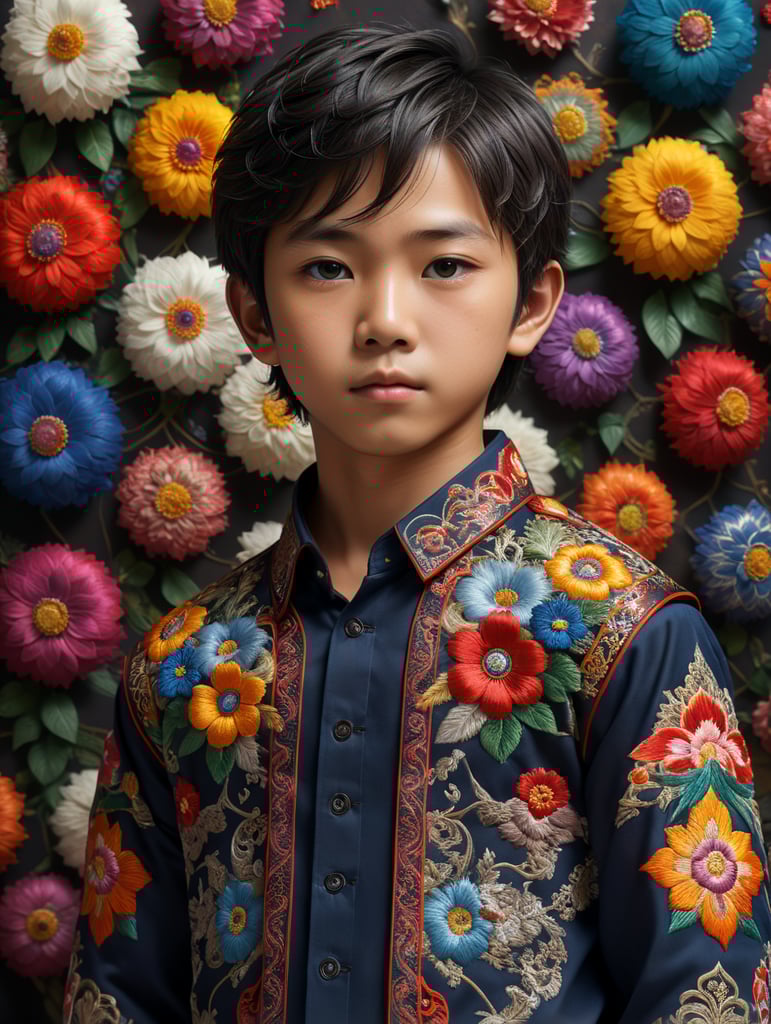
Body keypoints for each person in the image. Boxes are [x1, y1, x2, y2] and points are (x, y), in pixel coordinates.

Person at [64, 19, 771, 1024]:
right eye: (325, 267)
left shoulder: (628, 633)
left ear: (531, 303)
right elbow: (118, 997)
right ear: (255, 313)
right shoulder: (185, 663)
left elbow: (706, 998)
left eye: (443, 266)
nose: (386, 317)